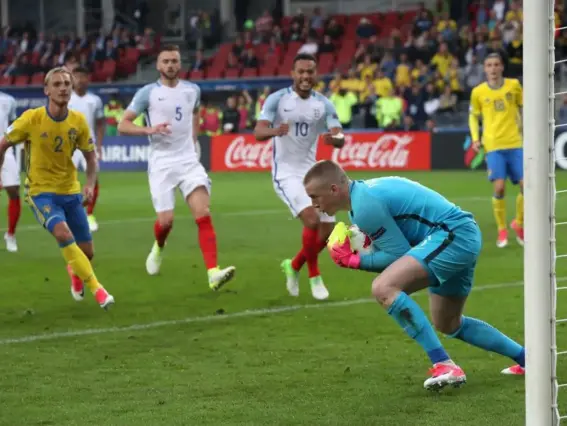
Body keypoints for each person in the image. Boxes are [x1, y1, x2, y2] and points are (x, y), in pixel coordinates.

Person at [303, 160, 525, 390]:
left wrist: (354, 260)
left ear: (333, 189)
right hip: (457, 235)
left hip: (452, 236)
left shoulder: (364, 206)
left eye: (314, 197)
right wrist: (366, 250)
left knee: (383, 288)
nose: (314, 205)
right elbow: (399, 250)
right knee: (448, 322)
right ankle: (527, 359)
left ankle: (444, 365)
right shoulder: (362, 198)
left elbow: (397, 256)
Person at [117, 45, 235, 291]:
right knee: (166, 221)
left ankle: (213, 273)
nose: (170, 65)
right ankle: (158, 247)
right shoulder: (147, 93)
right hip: (162, 163)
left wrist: (193, 140)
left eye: (174, 61)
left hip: (188, 161)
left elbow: (194, 115)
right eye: (166, 61)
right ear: (159, 66)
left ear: (180, 65)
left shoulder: (193, 90)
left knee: (203, 213)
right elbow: (123, 125)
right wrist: (147, 130)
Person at [0, 67, 114, 309]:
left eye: (67, 84)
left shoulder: (78, 122)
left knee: (87, 253)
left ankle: (76, 272)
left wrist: (90, 184)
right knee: (63, 234)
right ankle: (98, 289)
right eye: (57, 84)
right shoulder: (31, 119)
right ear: (47, 90)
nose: (63, 88)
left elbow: (91, 158)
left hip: (70, 192)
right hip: (40, 193)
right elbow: (2, 145)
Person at [254, 53, 345, 301]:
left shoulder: (323, 104)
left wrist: (333, 138)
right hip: (285, 173)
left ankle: (293, 267)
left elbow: (340, 136)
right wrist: (275, 130)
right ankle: (314, 277)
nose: (306, 76)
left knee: (327, 230)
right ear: (293, 74)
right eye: (301, 72)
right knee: (312, 220)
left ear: (316, 75)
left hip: (310, 171)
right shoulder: (278, 99)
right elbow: (258, 131)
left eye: (310, 72)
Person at [469, 52, 524, 248]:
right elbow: (474, 117)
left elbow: (525, 106)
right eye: (489, 65)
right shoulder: (478, 92)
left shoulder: (514, 86)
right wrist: (476, 138)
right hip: (493, 146)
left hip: (515, 143)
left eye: (496, 65)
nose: (493, 69)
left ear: (502, 67)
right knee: (499, 187)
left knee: (527, 186)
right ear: (485, 69)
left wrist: (526, 128)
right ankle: (502, 229)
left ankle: (518, 223)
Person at [68, 66, 105, 233]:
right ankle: (72, 213)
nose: (80, 80)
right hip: (69, 145)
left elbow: (100, 123)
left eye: (83, 77)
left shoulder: (95, 100)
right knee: (68, 180)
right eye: (77, 77)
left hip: (89, 145)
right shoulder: (66, 98)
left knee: (93, 178)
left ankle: (90, 214)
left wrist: (99, 146)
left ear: (88, 79)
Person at [0, 90, 20, 252]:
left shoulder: (9, 100)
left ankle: (11, 234)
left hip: (5, 150)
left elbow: (14, 126)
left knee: (13, 190)